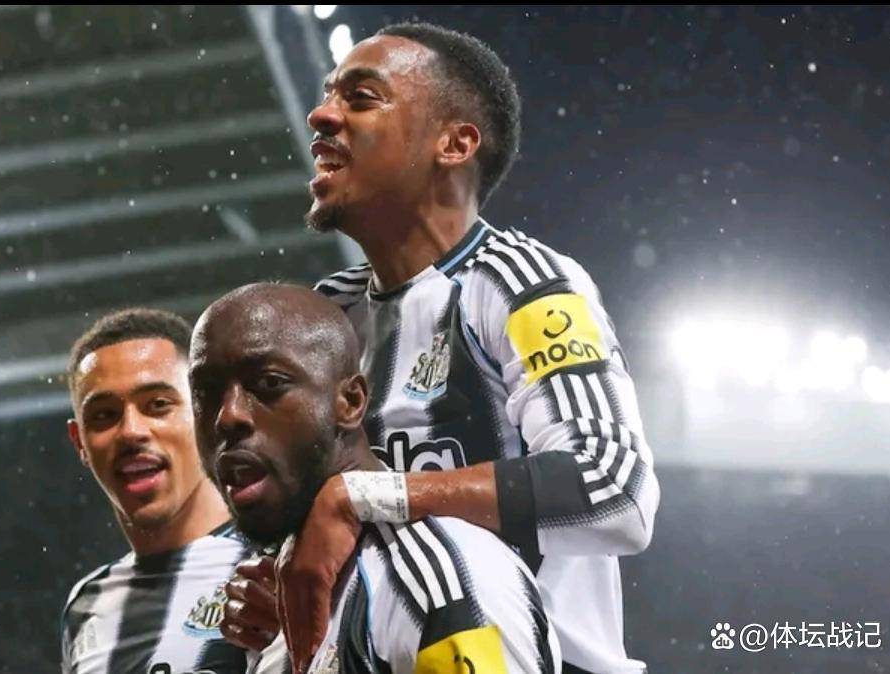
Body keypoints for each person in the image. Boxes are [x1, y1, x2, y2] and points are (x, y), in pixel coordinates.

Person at [225, 22, 661, 674]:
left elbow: (613, 489)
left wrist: (364, 495)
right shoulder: (325, 317)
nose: (321, 116)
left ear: (453, 144)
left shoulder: (519, 283)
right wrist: (276, 587)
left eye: (360, 98)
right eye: (326, 96)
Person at [189, 283, 562, 674]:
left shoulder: (441, 580)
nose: (227, 417)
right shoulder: (274, 606)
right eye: (206, 393)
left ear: (350, 403)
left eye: (269, 383)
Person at [60, 308, 249, 674]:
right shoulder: (87, 607)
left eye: (158, 405)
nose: (131, 431)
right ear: (79, 441)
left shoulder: (284, 558)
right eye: (104, 415)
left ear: (206, 414)